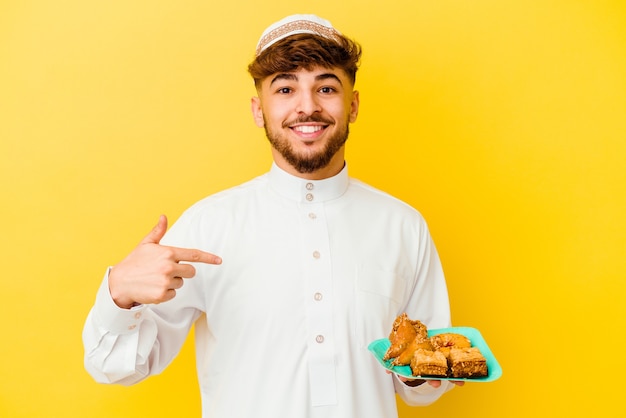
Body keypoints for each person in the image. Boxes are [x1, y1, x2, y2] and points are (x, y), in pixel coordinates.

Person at [83, 14, 461, 418]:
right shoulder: (209, 225)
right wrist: (119, 293)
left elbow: (424, 390)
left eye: (326, 87)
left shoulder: (403, 226)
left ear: (352, 105)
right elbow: (114, 367)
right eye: (285, 88)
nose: (308, 107)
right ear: (258, 110)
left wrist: (420, 373)